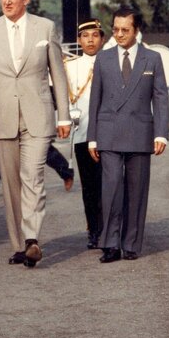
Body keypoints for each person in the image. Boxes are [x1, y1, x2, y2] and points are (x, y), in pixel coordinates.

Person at [0, 0, 71, 268]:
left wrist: (64, 115)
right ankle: (20, 244)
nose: (7, 1)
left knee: (33, 175)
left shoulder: (44, 28)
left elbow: (58, 74)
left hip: (38, 114)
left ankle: (32, 238)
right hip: (2, 115)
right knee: (11, 183)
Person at [87, 7, 169, 262]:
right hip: (108, 133)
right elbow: (95, 99)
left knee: (137, 191)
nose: (119, 34)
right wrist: (92, 137)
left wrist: (161, 134)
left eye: (125, 30)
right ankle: (110, 244)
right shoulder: (103, 58)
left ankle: (131, 244)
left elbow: (161, 97)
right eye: (116, 29)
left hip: (140, 133)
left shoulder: (152, 58)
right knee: (111, 189)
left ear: (136, 30)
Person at [67, 17, 105, 249]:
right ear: (79, 40)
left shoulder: (111, 62)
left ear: (102, 39)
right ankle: (94, 229)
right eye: (85, 36)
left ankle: (110, 228)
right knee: (89, 186)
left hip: (109, 133)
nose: (90, 40)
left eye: (95, 35)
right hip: (83, 132)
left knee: (110, 184)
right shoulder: (70, 66)